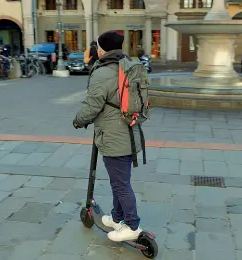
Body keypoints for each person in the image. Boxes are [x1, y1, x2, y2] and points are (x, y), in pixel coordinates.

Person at [72, 30, 143, 242]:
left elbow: (92, 105)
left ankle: (132, 225)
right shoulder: (130, 65)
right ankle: (117, 217)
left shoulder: (103, 72)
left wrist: (79, 120)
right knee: (118, 181)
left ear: (101, 49)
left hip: (114, 136)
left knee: (121, 184)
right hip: (130, 131)